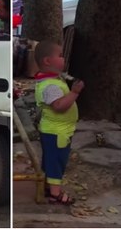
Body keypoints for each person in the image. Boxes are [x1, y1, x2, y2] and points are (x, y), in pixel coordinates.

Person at [34, 41, 84, 205]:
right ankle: (55, 193)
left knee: (51, 159)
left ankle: (48, 185)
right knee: (56, 161)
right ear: (48, 61)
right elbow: (59, 106)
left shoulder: (52, 80)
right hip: (56, 132)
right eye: (61, 56)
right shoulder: (49, 85)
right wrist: (74, 93)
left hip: (57, 130)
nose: (64, 59)